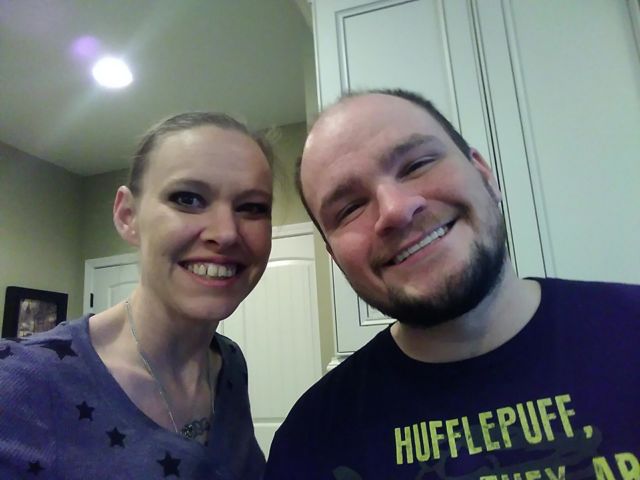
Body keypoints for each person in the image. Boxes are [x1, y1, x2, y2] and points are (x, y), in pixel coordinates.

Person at [264, 89, 640, 479]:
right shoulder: (310, 439)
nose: (395, 209)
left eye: (417, 165)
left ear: (484, 174)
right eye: (350, 208)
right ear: (333, 255)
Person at [0, 112, 274, 479]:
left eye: (253, 207)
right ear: (128, 215)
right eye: (188, 198)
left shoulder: (229, 365)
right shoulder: (21, 383)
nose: (226, 233)